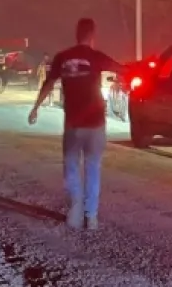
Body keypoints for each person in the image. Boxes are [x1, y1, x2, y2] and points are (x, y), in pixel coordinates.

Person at [28, 18, 123, 230]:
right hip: (95, 124)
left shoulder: (62, 57)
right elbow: (121, 69)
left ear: (76, 33)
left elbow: (48, 83)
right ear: (92, 35)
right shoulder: (96, 57)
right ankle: (92, 217)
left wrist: (36, 108)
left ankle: (75, 212)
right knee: (93, 168)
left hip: (73, 125)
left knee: (71, 168)